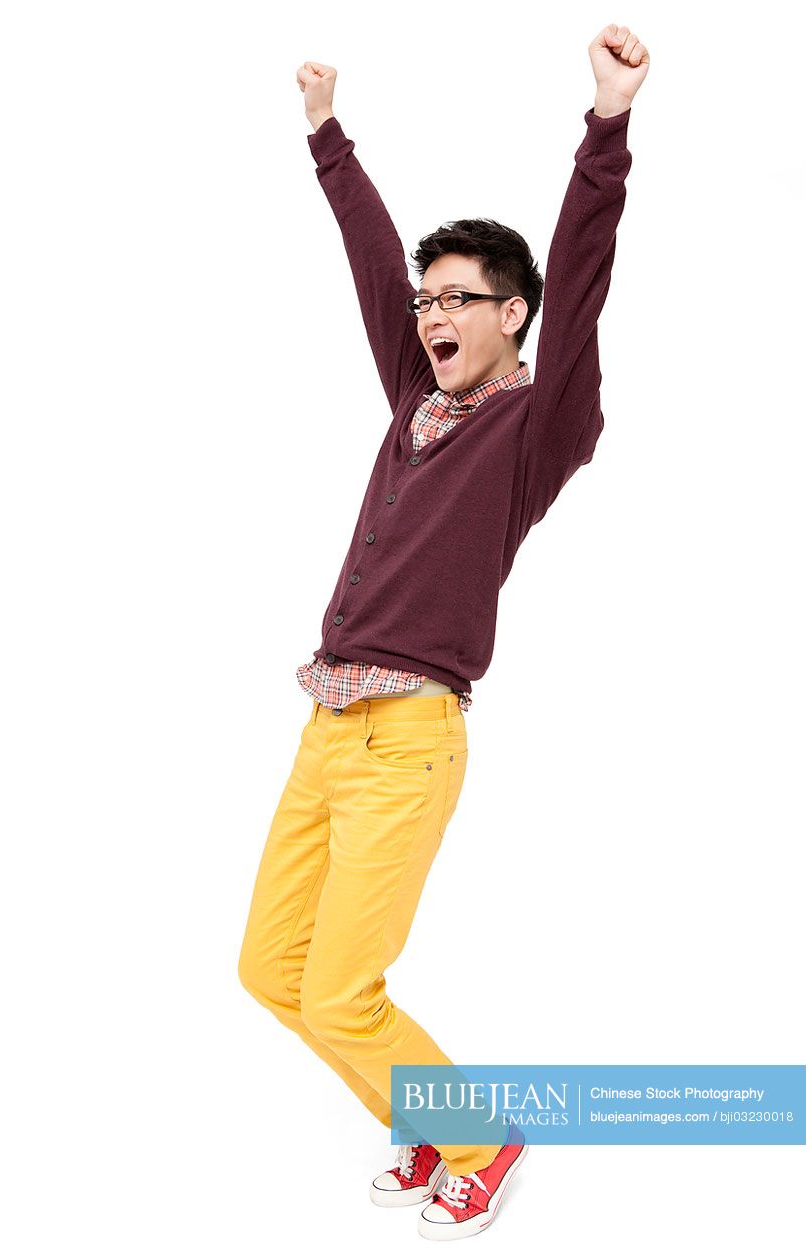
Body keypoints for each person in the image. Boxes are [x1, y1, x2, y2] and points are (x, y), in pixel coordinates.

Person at [238, 24, 650, 1241]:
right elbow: (371, 264)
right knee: (272, 973)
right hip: (327, 728)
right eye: (426, 302)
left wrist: (605, 126)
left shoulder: (537, 422)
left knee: (340, 989)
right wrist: (326, 136)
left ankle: (469, 1135)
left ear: (511, 317)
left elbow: (583, 274)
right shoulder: (416, 397)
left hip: (409, 741)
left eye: (457, 300)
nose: (428, 314)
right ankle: (425, 1124)